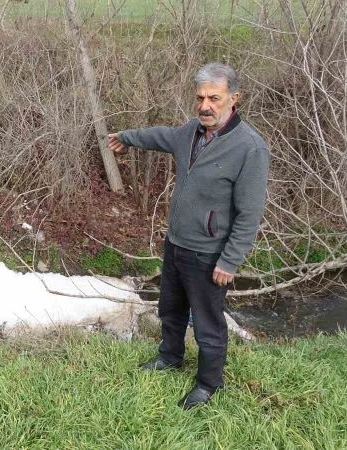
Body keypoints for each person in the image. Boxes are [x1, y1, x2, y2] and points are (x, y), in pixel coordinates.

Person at [108, 62, 269, 409]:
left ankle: (209, 384)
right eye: (200, 98)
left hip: (210, 254)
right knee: (171, 309)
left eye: (214, 97)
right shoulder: (190, 133)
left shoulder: (249, 148)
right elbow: (158, 135)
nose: (205, 106)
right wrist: (124, 138)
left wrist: (230, 259)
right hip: (177, 244)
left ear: (233, 98)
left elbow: (249, 214)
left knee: (209, 325)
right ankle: (170, 356)